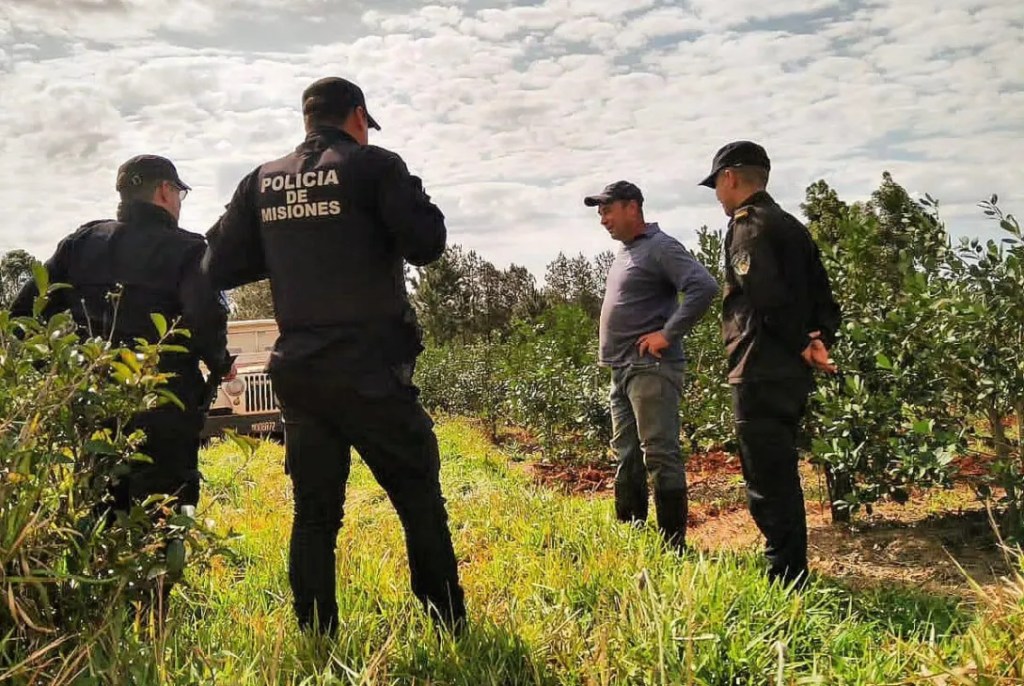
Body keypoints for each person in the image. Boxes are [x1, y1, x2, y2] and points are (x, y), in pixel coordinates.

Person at [201, 76, 466, 635]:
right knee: (419, 501)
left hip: (302, 374)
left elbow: (217, 264)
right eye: (366, 125)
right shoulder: (375, 166)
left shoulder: (261, 181)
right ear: (358, 116)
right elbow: (428, 243)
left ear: (306, 119)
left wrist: (289, 247)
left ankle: (316, 633)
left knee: (316, 515)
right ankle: (448, 625)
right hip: (371, 371)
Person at [11, 154, 233, 529]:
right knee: (164, 514)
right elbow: (205, 319)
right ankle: (156, 586)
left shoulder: (81, 242)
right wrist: (221, 362)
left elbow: (23, 314)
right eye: (180, 192)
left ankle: (101, 584)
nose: (179, 201)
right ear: (165, 191)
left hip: (93, 406)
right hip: (164, 408)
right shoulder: (189, 249)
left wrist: (47, 378)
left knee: (99, 511)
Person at [698, 140, 841, 586]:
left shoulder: (749, 226)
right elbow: (824, 295)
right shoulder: (792, 226)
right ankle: (790, 567)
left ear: (731, 178)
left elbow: (762, 293)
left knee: (767, 477)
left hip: (760, 364)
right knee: (781, 469)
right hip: (789, 372)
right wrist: (819, 340)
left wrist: (800, 341)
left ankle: (785, 577)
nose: (718, 196)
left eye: (717, 186)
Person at [583, 181, 719, 553]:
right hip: (621, 369)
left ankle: (673, 544)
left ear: (632, 207)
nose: (603, 220)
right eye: (600, 213)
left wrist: (667, 334)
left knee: (659, 452)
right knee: (626, 451)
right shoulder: (625, 253)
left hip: (651, 368)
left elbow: (703, 287)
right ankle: (631, 532)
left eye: (607, 210)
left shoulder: (661, 247)